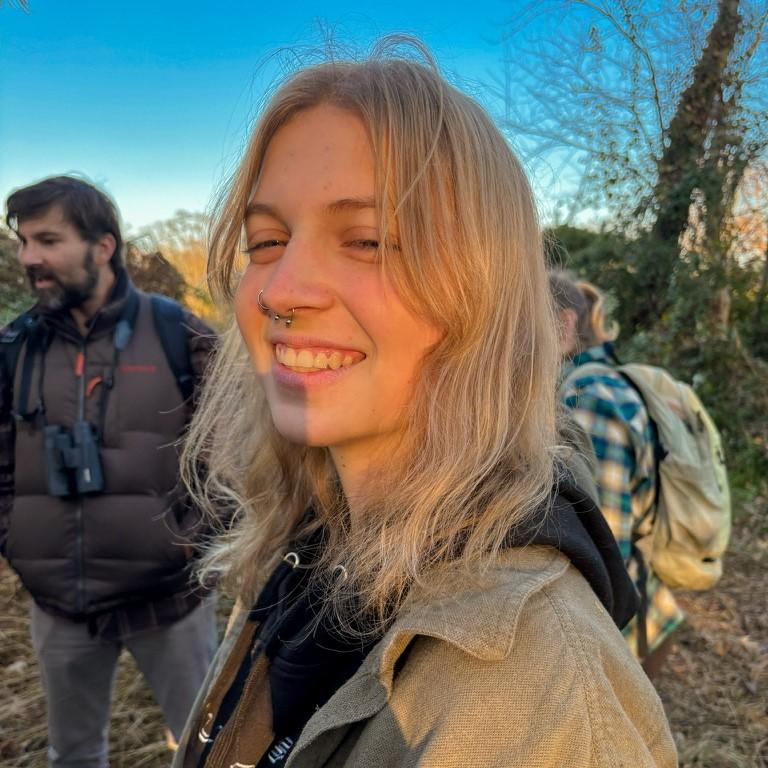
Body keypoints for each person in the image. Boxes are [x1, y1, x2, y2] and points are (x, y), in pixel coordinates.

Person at [173, 40, 677, 767]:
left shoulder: (544, 701)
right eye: (267, 240)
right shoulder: (317, 548)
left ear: (482, 293)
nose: (282, 291)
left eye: (368, 240)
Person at [0, 176, 219, 767]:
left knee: (206, 752)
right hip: (58, 609)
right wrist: (17, 541)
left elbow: (236, 467)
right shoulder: (12, 348)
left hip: (171, 605)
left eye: (48, 240)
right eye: (23, 242)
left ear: (104, 247)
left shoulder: (183, 337)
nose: (29, 259)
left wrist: (186, 547)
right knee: (72, 755)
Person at [550, 270, 685, 678]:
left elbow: (605, 545)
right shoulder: (612, 381)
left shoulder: (587, 398)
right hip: (651, 609)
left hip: (625, 632)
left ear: (564, 324)